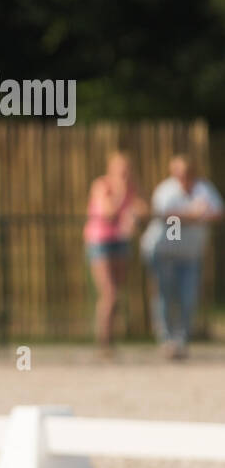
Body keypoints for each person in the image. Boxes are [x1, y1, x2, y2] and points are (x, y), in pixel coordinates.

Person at [139, 154, 223, 359]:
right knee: (166, 296)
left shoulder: (204, 188)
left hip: (190, 254)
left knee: (188, 297)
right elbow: (168, 218)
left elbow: (218, 212)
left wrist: (194, 215)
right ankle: (167, 341)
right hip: (163, 253)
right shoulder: (166, 190)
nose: (182, 177)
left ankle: (181, 341)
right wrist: (194, 214)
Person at [83, 151, 148, 357]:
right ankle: (103, 342)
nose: (124, 173)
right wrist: (120, 192)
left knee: (115, 295)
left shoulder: (132, 188)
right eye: (120, 169)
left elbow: (143, 210)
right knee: (108, 293)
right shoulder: (102, 185)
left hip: (120, 242)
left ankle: (109, 341)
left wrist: (135, 218)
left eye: (127, 169)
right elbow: (108, 212)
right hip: (100, 242)